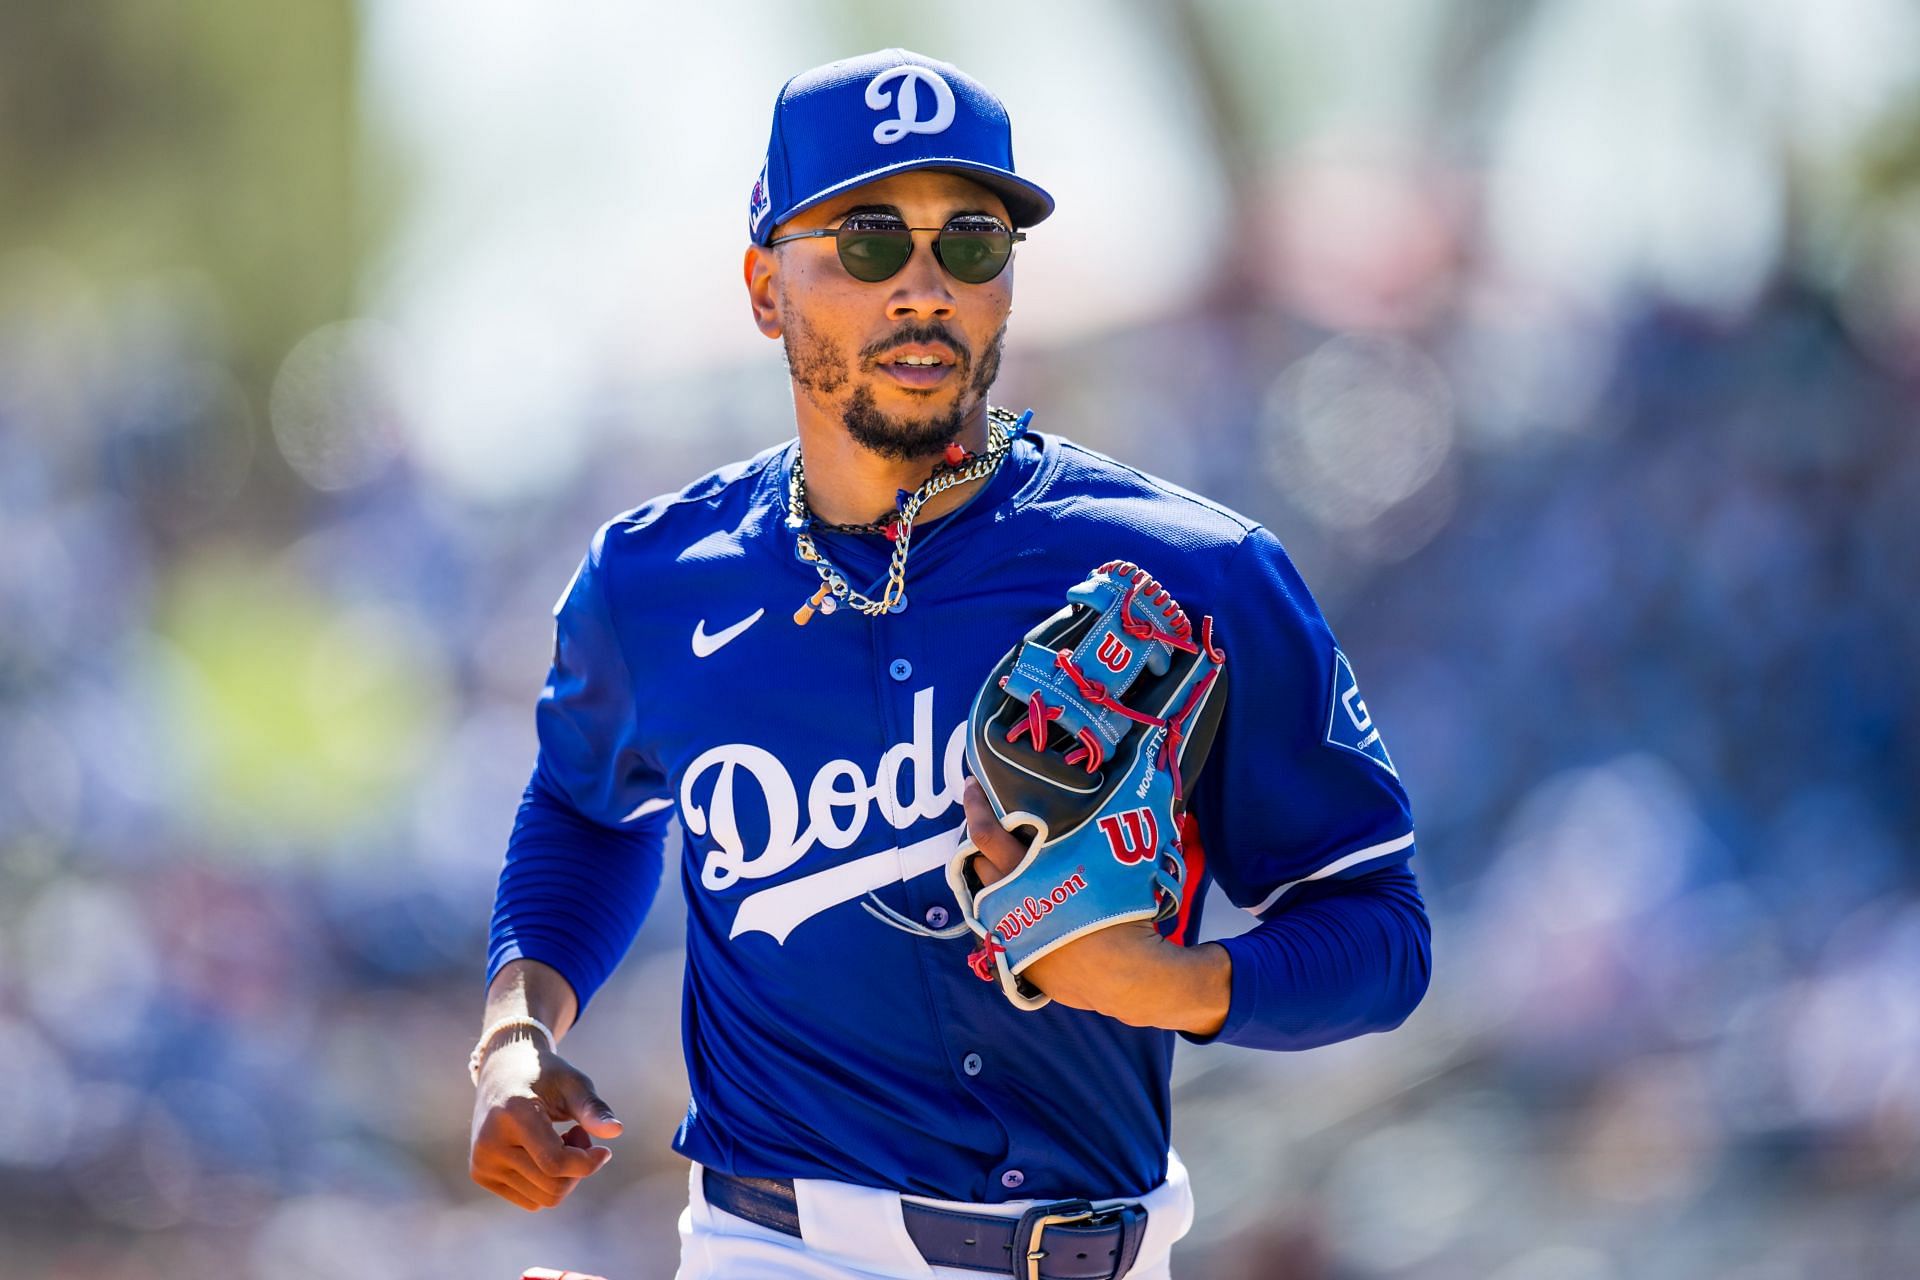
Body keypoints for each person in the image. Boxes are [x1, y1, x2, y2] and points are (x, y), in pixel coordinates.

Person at [468, 48, 1431, 1280]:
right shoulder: (656, 582)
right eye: (868, 239)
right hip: (779, 1247)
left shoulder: (1196, 572)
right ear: (767, 288)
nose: (922, 287)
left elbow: (1381, 933)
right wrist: (517, 1029)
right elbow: (585, 806)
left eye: (971, 242)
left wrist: (1175, 981)